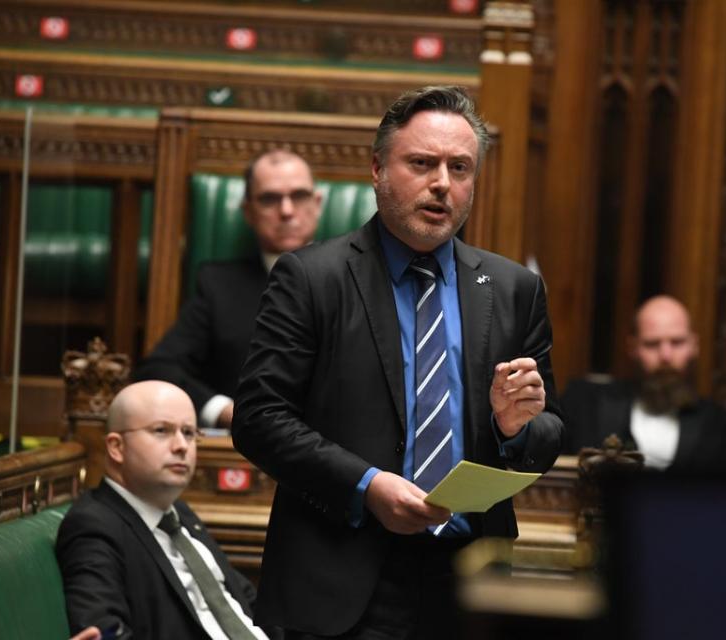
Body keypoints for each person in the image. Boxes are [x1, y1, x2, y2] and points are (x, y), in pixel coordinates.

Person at [232, 85, 564, 638]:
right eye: (421, 163)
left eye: (460, 168)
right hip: (344, 576)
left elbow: (551, 428)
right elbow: (260, 418)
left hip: (469, 581)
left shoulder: (513, 289)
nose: (442, 183)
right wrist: (367, 486)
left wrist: (517, 428)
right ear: (378, 170)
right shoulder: (312, 278)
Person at [55, 380, 279, 639]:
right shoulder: (94, 525)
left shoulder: (179, 515)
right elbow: (104, 630)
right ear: (116, 447)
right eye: (162, 430)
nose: (181, 445)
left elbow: (244, 602)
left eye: (189, 432)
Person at [135, 150, 323, 431]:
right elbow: (160, 369)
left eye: (298, 196)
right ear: (248, 211)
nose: (286, 210)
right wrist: (225, 411)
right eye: (270, 199)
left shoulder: (356, 277)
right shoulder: (218, 286)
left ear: (317, 204)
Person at [563, 295, 726, 470]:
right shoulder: (586, 406)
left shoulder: (719, 425)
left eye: (677, 343)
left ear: (694, 345)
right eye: (652, 344)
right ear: (633, 348)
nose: (666, 356)